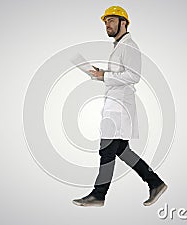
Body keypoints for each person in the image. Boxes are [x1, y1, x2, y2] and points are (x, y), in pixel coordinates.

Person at [72, 6, 167, 207]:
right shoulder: (119, 46)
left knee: (106, 150)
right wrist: (101, 74)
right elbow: (120, 75)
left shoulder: (129, 46)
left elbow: (134, 76)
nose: (107, 24)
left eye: (112, 20)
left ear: (124, 22)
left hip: (119, 109)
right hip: (115, 106)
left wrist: (105, 75)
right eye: (106, 21)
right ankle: (155, 183)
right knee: (122, 151)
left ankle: (99, 195)